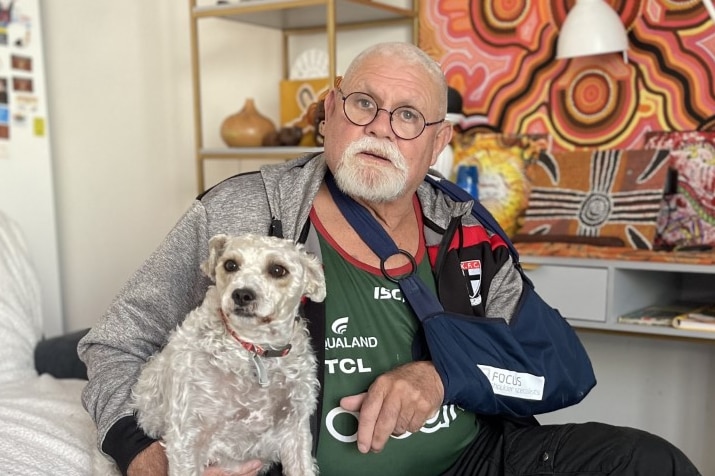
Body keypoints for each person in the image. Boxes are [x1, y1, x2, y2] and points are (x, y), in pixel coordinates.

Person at [78, 42, 701, 476]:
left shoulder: (465, 230)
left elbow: (559, 368)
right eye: (363, 105)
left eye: (408, 117)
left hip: (472, 461)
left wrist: (442, 376)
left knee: (652, 461)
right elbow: (114, 344)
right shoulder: (239, 214)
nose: (381, 128)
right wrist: (145, 455)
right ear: (329, 112)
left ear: (438, 141)